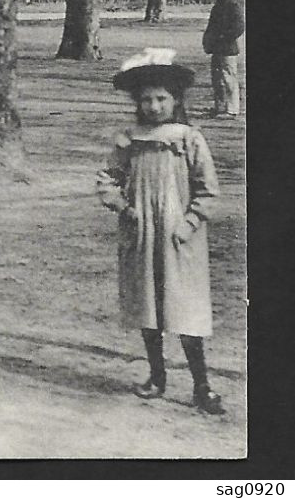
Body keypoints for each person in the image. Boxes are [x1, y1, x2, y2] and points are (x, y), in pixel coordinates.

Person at [96, 48, 225, 416]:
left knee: (185, 309)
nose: (153, 106)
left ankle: (202, 386)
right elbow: (108, 179)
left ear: (175, 100)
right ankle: (157, 376)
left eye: (161, 98)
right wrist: (123, 206)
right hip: (140, 236)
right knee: (147, 307)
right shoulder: (128, 139)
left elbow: (208, 190)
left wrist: (188, 223)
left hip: (179, 239)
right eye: (146, 99)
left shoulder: (188, 138)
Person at [201, 0, 244, 118]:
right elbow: (211, 27)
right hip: (216, 48)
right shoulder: (218, 6)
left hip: (227, 48)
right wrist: (208, 41)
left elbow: (239, 27)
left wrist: (223, 37)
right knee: (217, 78)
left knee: (229, 78)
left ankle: (232, 109)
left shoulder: (233, 7)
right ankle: (219, 106)